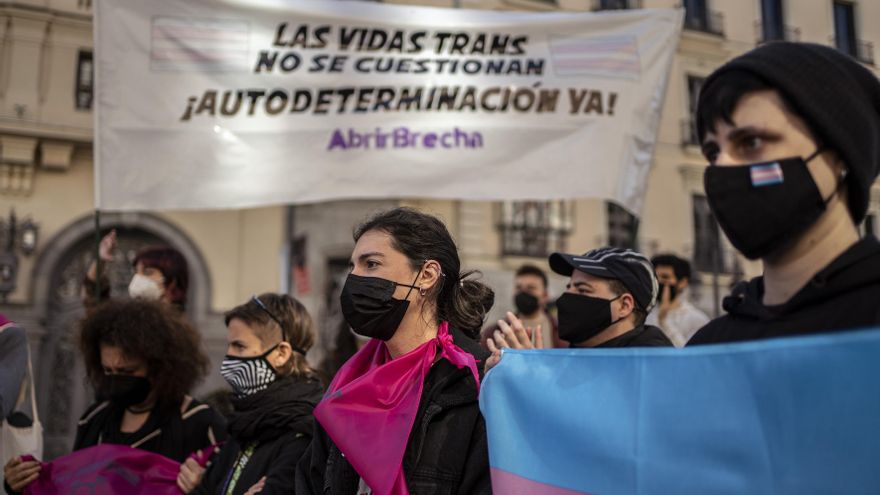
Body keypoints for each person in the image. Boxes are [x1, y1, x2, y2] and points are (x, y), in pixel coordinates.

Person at [688, 42, 880, 345]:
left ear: (839, 156)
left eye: (751, 142)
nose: (722, 166)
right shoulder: (709, 348)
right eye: (713, 152)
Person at [296, 207, 494, 495]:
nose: (354, 278)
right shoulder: (349, 381)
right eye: (353, 267)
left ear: (426, 275)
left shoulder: (475, 383)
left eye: (371, 264)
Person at [4, 300, 225, 495]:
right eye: (108, 371)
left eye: (127, 371)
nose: (116, 378)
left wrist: (202, 488)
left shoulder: (200, 423)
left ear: (159, 367)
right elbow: (74, 487)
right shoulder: (94, 420)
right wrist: (21, 484)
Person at [177, 293, 323, 495]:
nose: (229, 356)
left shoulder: (302, 433)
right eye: (229, 345)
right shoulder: (245, 423)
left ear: (281, 354)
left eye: (239, 346)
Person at [487, 247, 670, 368]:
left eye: (582, 290)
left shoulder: (653, 367)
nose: (567, 297)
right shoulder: (579, 355)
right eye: (569, 287)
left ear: (624, 305)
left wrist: (533, 376)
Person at [83, 229, 189, 310]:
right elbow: (94, 299)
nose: (138, 278)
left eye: (148, 272)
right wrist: (100, 261)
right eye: (136, 272)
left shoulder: (179, 328)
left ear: (172, 282)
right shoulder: (129, 319)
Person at [481, 265, 565, 349]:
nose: (523, 292)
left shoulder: (562, 331)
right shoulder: (495, 332)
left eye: (531, 288)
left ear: (545, 295)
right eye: (518, 287)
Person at [647, 254, 710, 347]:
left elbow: (689, 352)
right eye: (655, 277)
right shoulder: (646, 315)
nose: (659, 282)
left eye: (665, 277)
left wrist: (664, 321)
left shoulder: (697, 319)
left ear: (683, 282)